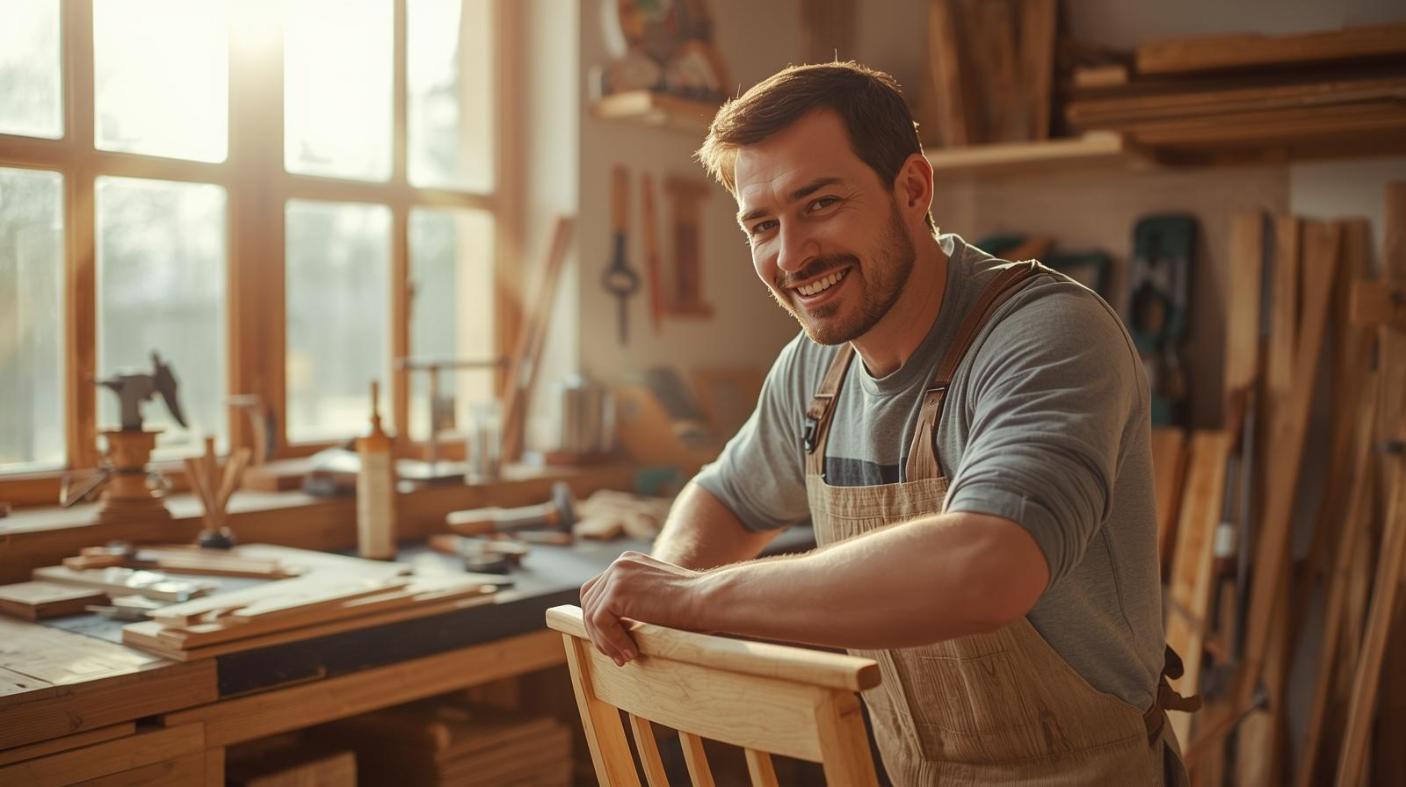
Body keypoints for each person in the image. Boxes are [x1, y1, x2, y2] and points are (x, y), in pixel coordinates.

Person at [579, 61, 1193, 785]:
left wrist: (692, 597)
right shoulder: (815, 372)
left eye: (821, 204)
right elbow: (725, 496)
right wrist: (668, 577)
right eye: (763, 225)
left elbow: (988, 568)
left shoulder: (1048, 334)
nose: (792, 254)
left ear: (913, 188)